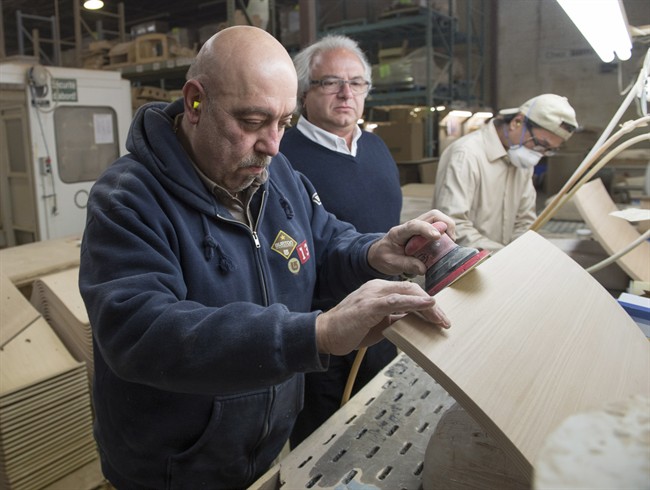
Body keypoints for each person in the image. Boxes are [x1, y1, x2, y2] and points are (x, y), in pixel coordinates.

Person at [79, 25, 453, 490]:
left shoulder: (276, 177)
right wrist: (313, 334)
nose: (273, 145)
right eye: (253, 122)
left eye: (284, 123)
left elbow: (321, 240)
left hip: (263, 447)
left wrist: (374, 251)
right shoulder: (129, 198)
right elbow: (140, 331)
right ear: (195, 102)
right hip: (175, 467)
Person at [279, 35, 403, 448]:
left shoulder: (377, 148)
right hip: (321, 339)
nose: (346, 93)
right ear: (304, 93)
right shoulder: (281, 159)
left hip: (382, 328)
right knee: (323, 447)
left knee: (381, 431)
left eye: (357, 82)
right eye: (330, 82)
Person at [433, 93, 578, 251]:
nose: (540, 153)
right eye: (540, 144)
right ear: (517, 122)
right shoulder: (467, 154)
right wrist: (503, 256)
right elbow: (453, 225)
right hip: (465, 267)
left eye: (549, 149)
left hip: (500, 263)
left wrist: (524, 253)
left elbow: (524, 222)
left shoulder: (522, 160)